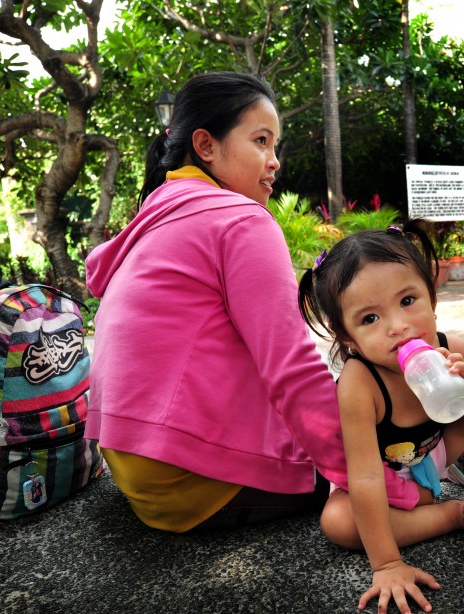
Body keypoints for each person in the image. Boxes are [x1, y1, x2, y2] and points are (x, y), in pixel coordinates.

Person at [84, 71, 418, 534]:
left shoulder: (156, 216)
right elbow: (293, 368)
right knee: (377, 409)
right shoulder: (240, 220)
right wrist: (392, 489)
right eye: (261, 141)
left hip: (139, 471)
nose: (274, 160)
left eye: (275, 145)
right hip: (196, 479)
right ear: (206, 146)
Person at [298, 221, 464, 614]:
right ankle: (453, 514)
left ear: (432, 296)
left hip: (434, 453)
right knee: (337, 522)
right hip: (387, 478)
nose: (397, 327)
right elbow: (364, 478)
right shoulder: (360, 384)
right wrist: (386, 565)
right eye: (369, 319)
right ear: (346, 338)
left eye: (407, 301)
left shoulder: (456, 349)